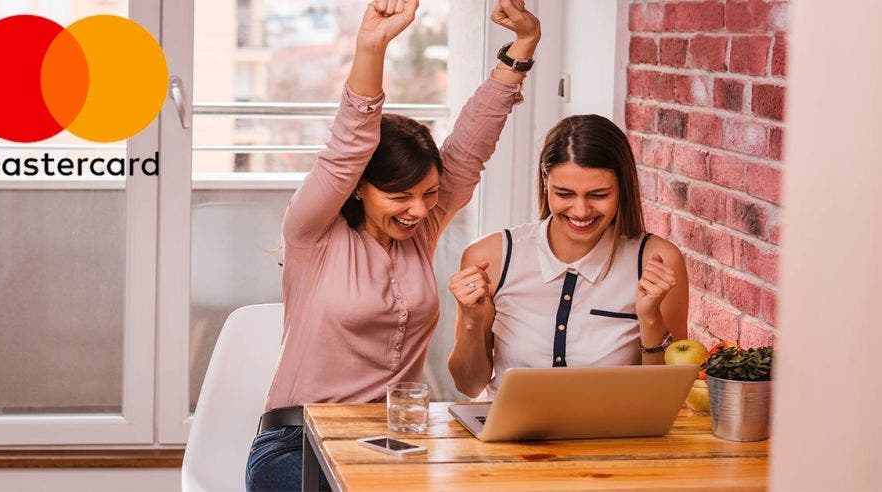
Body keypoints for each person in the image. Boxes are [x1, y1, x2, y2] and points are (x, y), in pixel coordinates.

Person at [245, 0, 540, 490]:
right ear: (360, 186)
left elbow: (470, 146)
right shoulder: (312, 233)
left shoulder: (419, 230)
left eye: (428, 194)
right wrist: (372, 45)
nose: (420, 210)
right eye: (400, 196)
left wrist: (521, 50)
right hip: (299, 443)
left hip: (394, 439)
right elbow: (349, 146)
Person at [447, 114, 689, 399]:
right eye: (564, 193)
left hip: (610, 438)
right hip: (511, 439)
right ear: (545, 181)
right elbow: (469, 385)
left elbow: (664, 397)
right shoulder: (492, 255)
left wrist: (650, 318)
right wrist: (471, 321)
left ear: (622, 187)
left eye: (598, 195)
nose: (581, 211)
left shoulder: (657, 259)